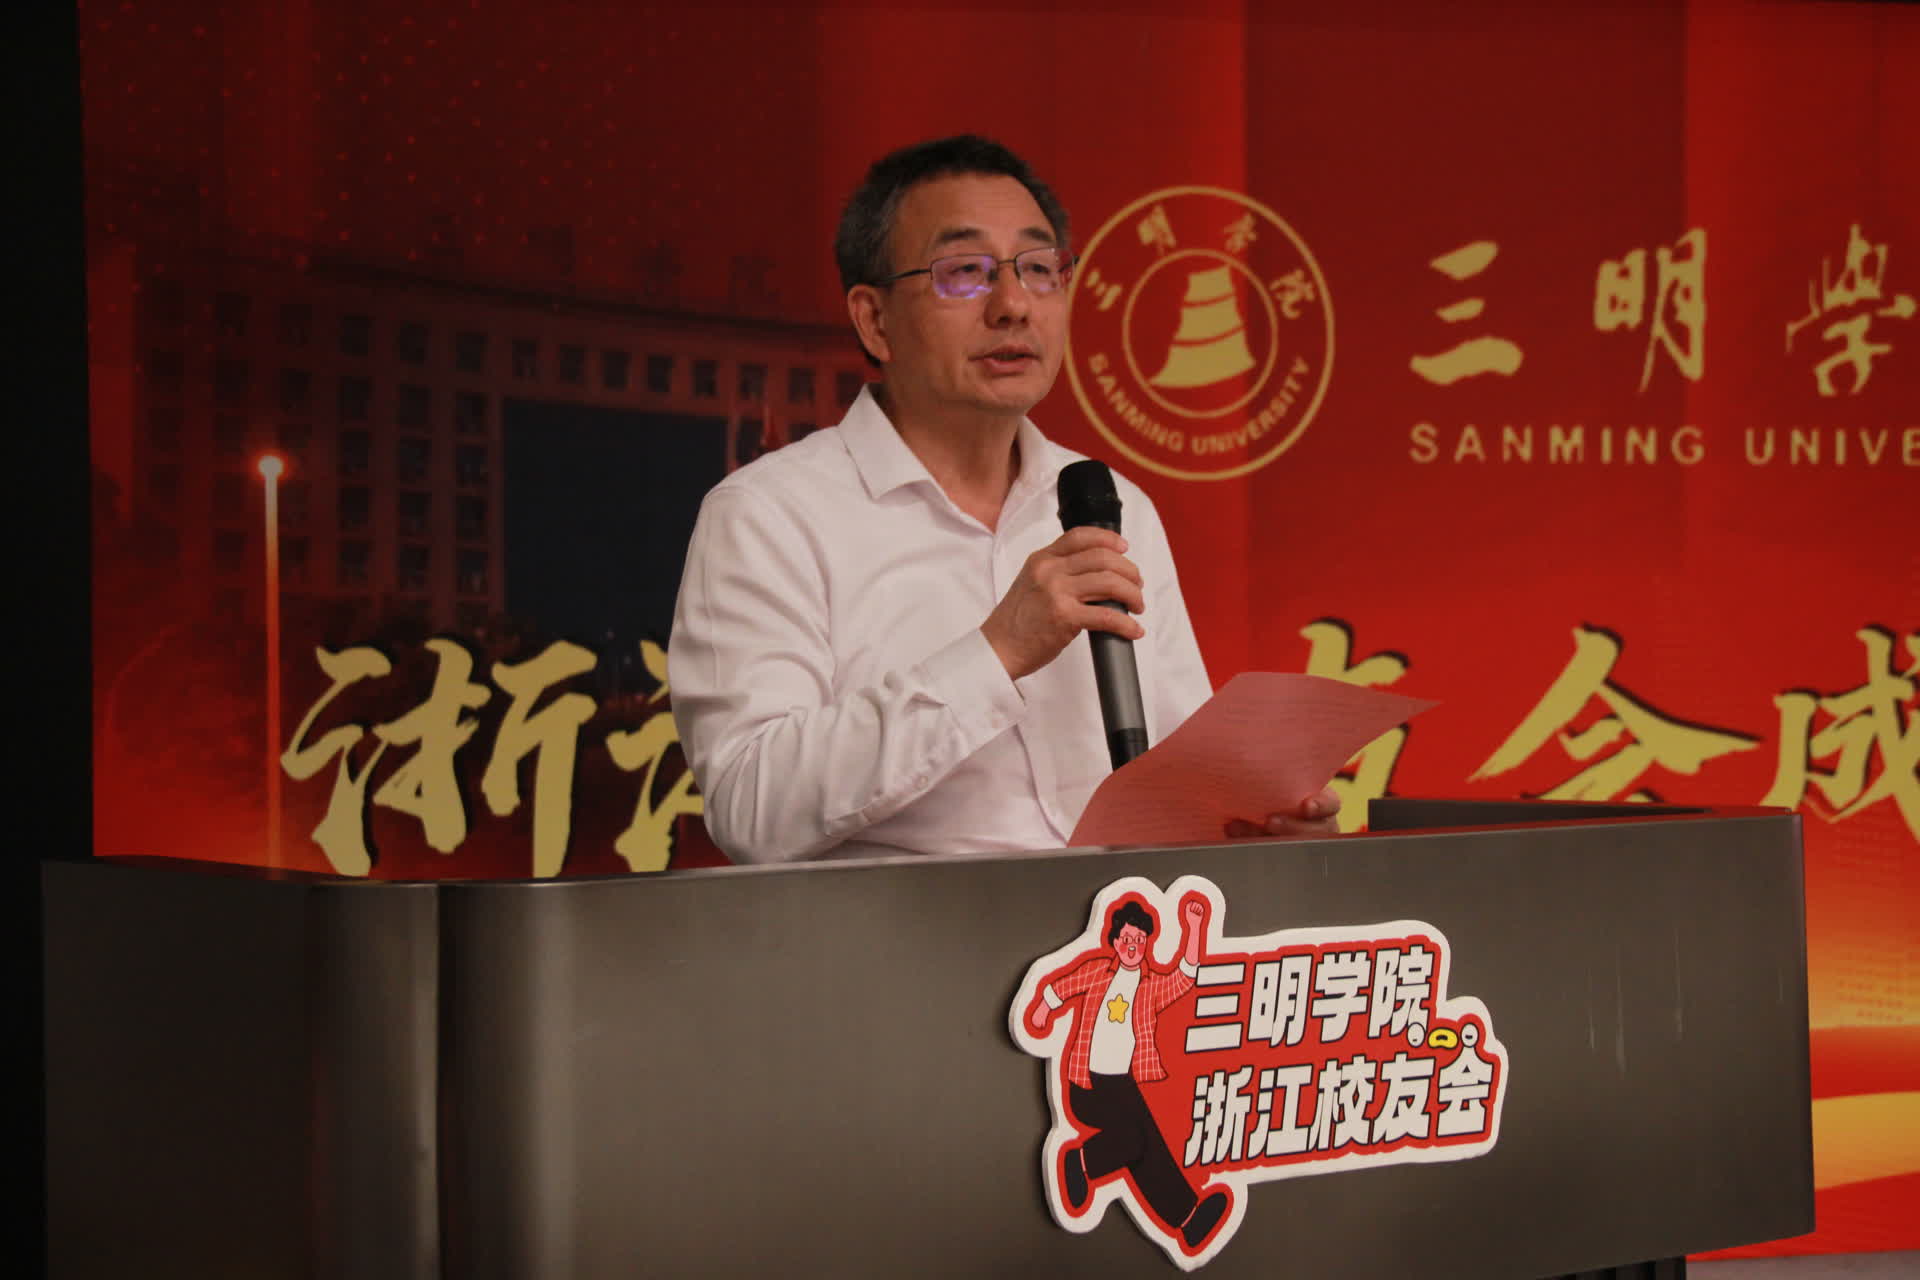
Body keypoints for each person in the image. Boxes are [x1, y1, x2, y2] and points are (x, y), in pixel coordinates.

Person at [668, 135, 1336, 863]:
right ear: (874, 321)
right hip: (901, 932)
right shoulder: (769, 515)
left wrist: (1258, 830)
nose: (1014, 305)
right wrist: (996, 653)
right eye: (964, 273)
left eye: (1040, 269)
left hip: (1117, 928)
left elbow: (1181, 789)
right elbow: (751, 806)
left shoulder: (1114, 504)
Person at [1024, 896, 1230, 1250]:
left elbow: (1185, 977)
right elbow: (1065, 985)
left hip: (1123, 1085)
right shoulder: (1097, 971)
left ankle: (1187, 1220)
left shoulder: (1150, 987)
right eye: (1126, 939)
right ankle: (1082, 1162)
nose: (1132, 946)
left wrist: (1195, 928)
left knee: (1146, 1143)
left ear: (1147, 943)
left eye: (1139, 939)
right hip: (1086, 1084)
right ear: (1115, 941)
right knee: (1135, 1139)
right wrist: (1043, 1010)